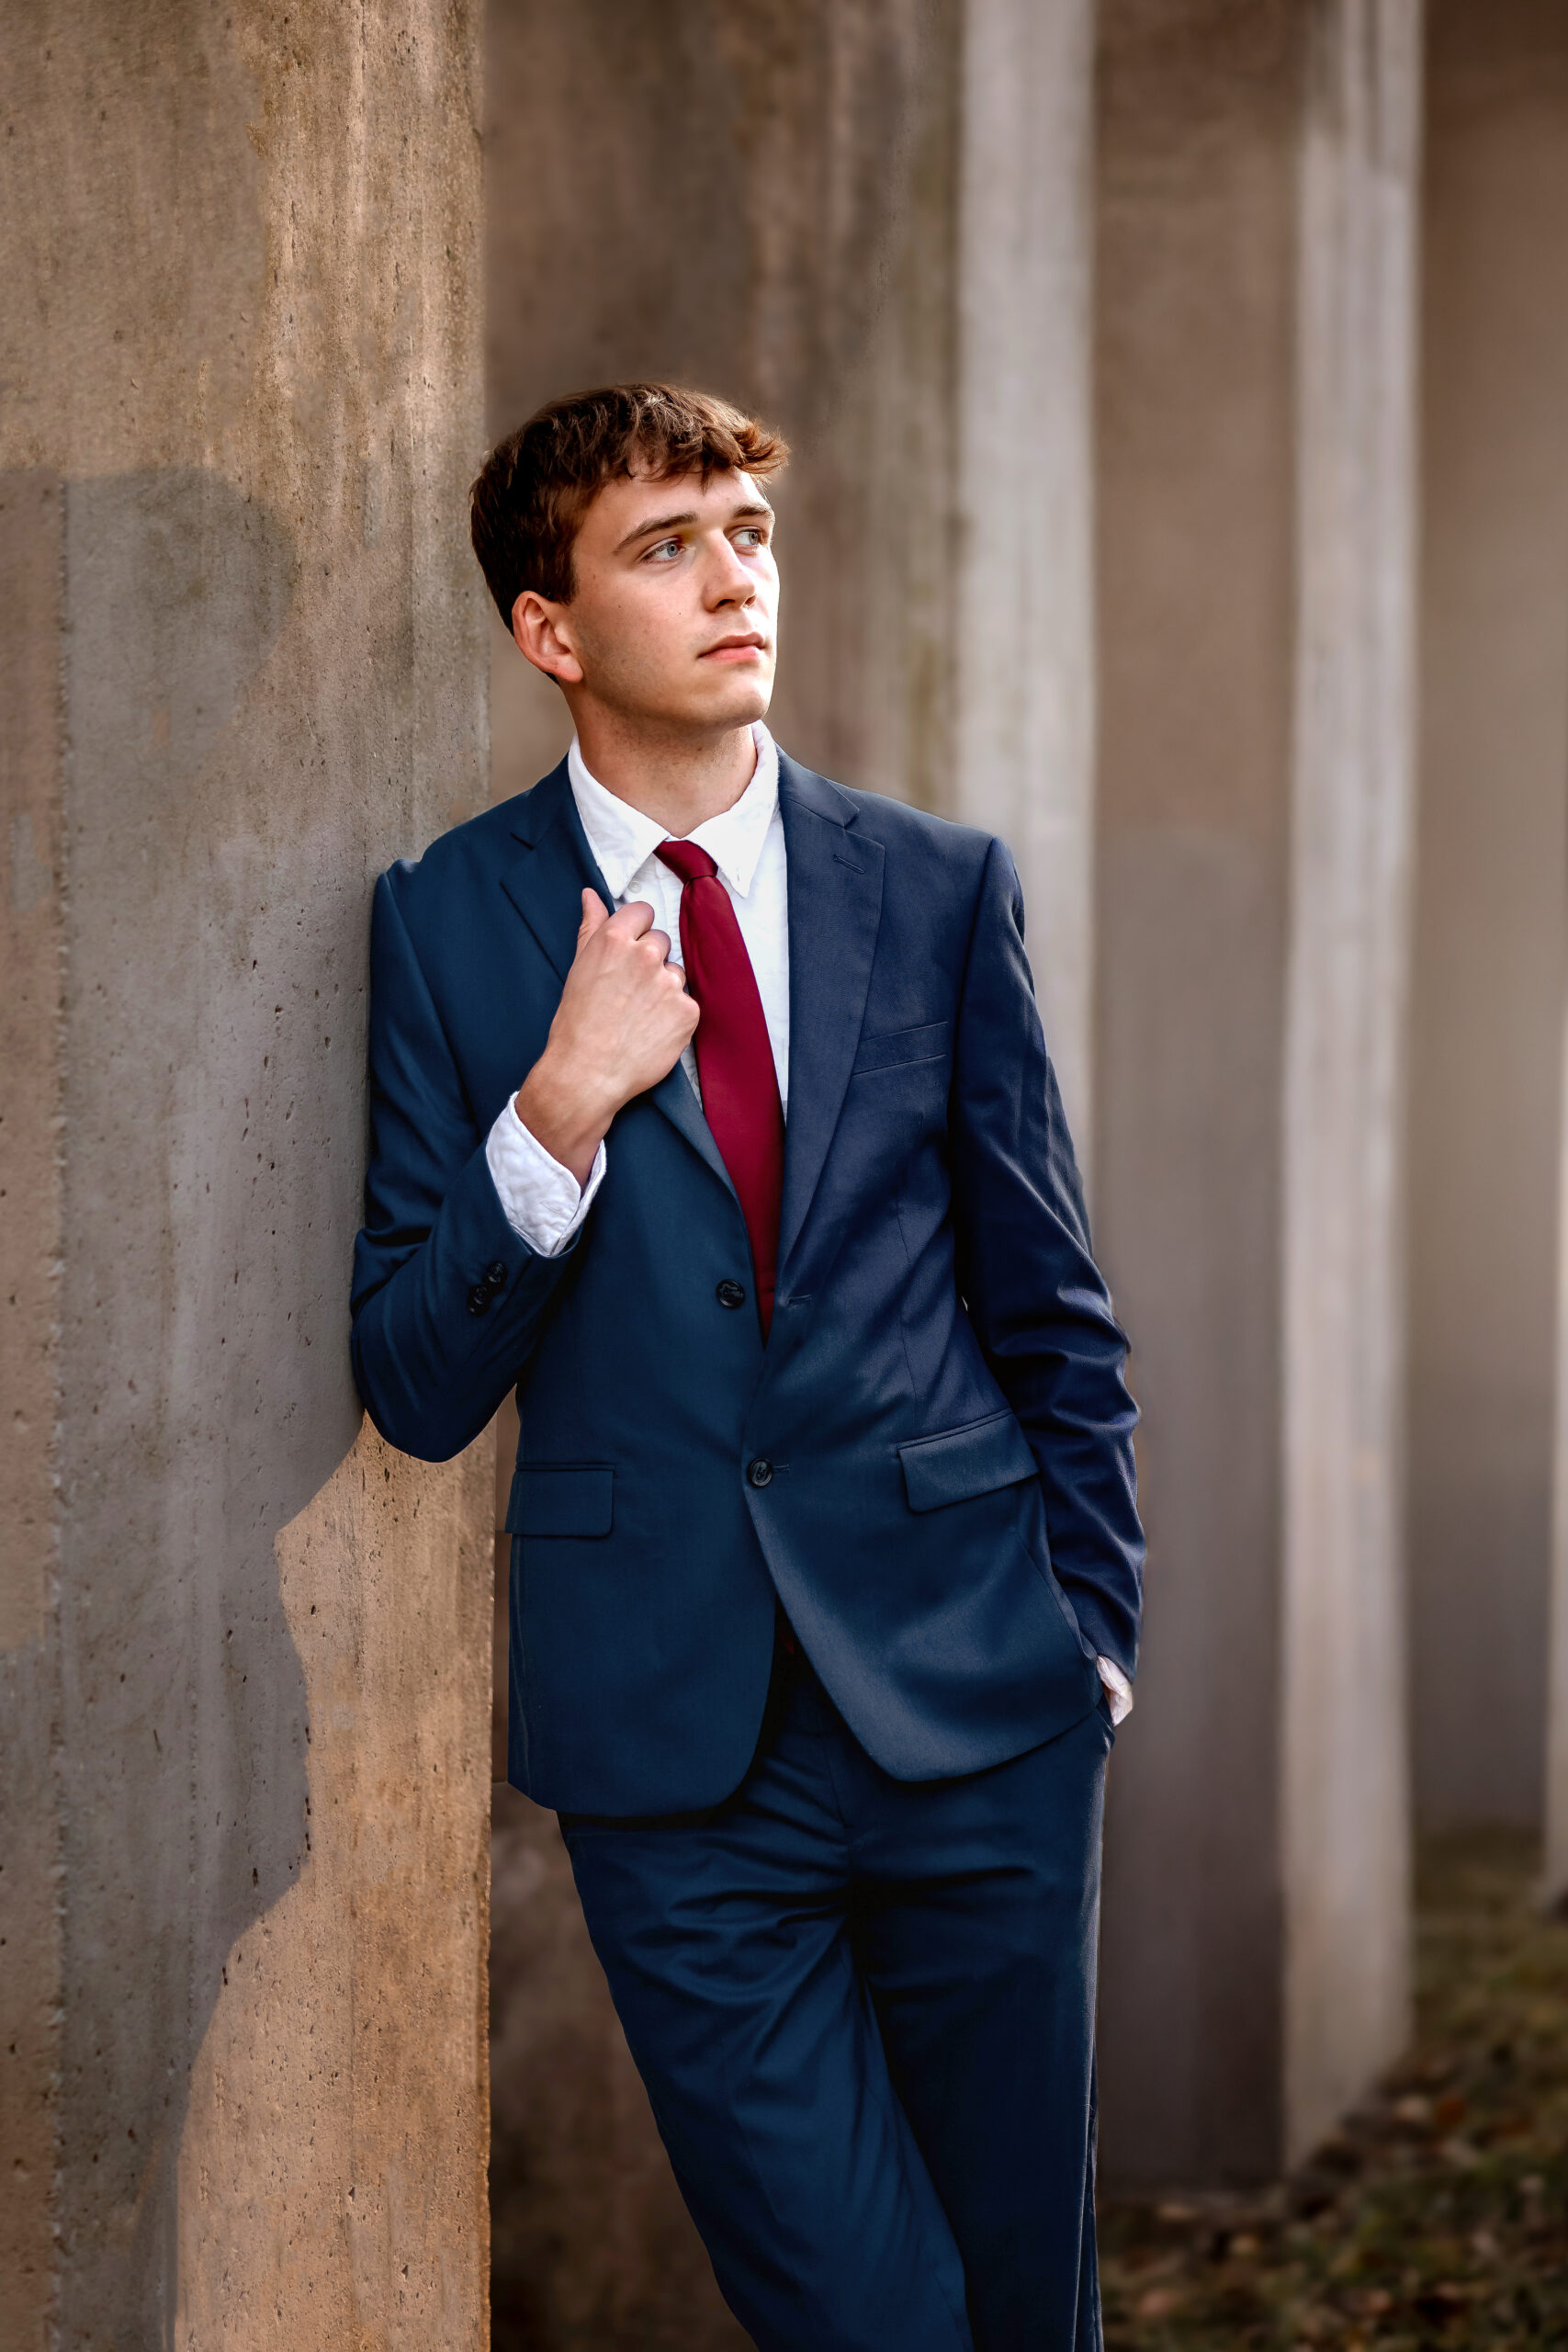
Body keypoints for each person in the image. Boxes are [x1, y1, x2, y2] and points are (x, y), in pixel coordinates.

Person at [351, 381, 1144, 2352]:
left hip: (977, 1705)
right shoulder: (447, 924)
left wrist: (1091, 1639)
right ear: (549, 630)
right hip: (672, 1757)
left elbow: (1048, 1305)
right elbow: (412, 1379)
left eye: (749, 534)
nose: (734, 579)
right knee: (863, 2313)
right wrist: (556, 1104)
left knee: (1022, 2307)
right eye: (666, 544)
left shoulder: (939, 888)